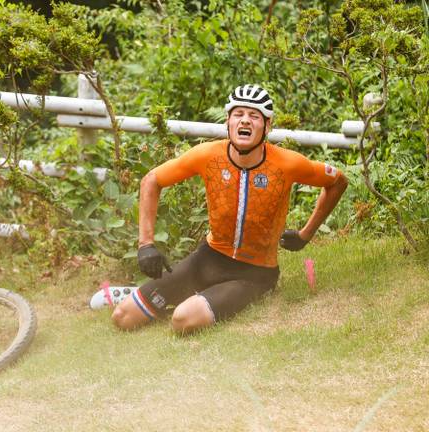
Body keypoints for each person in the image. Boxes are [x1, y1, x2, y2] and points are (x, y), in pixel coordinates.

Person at [108, 84, 348, 333]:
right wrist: (145, 245)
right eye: (238, 114)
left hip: (255, 272)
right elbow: (151, 181)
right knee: (123, 317)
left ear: (267, 126)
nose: (245, 120)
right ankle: (170, 295)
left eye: (254, 116)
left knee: (182, 321)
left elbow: (337, 181)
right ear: (228, 122)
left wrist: (305, 235)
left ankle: (194, 300)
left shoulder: (287, 163)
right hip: (208, 259)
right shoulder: (208, 155)